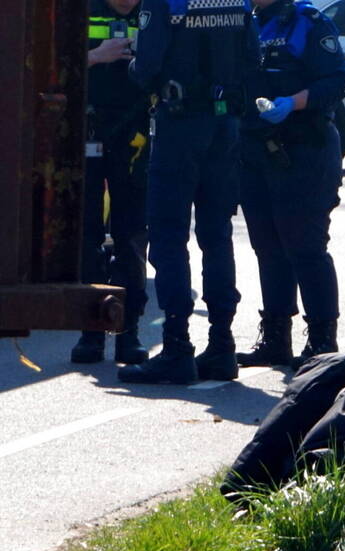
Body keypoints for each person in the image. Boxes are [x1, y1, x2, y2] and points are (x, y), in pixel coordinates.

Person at [120, 0, 259, 384]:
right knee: (217, 236)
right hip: (225, 125)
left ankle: (177, 346)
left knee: (168, 234)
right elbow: (254, 58)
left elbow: (146, 68)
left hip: (180, 125)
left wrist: (136, 67)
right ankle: (222, 344)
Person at [236, 0, 345, 369]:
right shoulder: (243, 21)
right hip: (255, 150)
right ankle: (275, 338)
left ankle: (321, 341)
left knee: (304, 246)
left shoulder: (308, 23)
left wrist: (294, 102)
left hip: (305, 149)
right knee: (267, 246)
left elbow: (337, 81)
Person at [72, 0, 150, 366]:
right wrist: (95, 56)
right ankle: (90, 331)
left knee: (131, 235)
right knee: (86, 231)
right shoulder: (83, 10)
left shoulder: (155, 11)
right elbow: (52, 66)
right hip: (88, 130)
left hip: (134, 136)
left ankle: (127, 330)